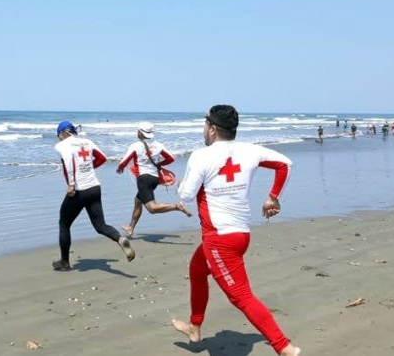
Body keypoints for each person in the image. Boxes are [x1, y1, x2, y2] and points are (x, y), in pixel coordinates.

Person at [171, 105, 301, 356]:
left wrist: (179, 183)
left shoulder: (201, 156)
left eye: (204, 124)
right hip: (240, 235)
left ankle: (284, 347)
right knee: (197, 269)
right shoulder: (250, 150)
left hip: (219, 240)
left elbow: (186, 194)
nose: (203, 129)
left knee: (242, 297)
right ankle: (195, 327)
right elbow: (285, 164)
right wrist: (273, 197)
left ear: (211, 128)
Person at [52, 120, 135, 271]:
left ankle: (64, 262)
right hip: (94, 187)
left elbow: (70, 162)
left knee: (64, 223)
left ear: (63, 132)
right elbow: (102, 158)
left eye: (59, 136)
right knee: (100, 225)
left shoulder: (62, 145)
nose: (59, 139)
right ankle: (120, 239)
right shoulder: (87, 142)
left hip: (79, 189)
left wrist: (71, 184)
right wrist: (87, 168)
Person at [116, 122, 192, 236]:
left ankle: (177, 206)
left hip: (143, 179)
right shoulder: (158, 145)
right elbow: (171, 158)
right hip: (154, 179)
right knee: (138, 201)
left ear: (140, 133)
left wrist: (120, 167)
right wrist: (159, 163)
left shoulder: (136, 146)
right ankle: (130, 228)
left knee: (152, 208)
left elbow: (124, 161)